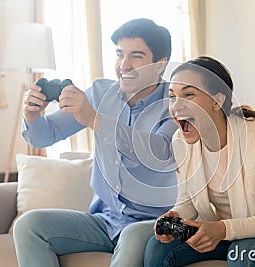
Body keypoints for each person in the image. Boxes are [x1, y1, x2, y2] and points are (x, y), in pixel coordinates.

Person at [13, 18, 178, 267]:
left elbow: (160, 151)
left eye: (136, 56)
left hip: (154, 223)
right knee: (29, 225)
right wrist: (32, 116)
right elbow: (45, 135)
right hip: (105, 221)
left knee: (133, 237)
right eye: (120, 54)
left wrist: (93, 118)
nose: (124, 65)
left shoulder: (177, 102)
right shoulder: (101, 93)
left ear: (159, 64)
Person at [144, 56, 255, 266]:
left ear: (217, 100)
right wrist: (173, 217)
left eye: (188, 95)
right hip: (222, 234)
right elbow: (187, 201)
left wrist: (223, 229)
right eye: (172, 97)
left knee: (242, 253)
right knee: (158, 247)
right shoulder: (180, 141)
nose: (176, 106)